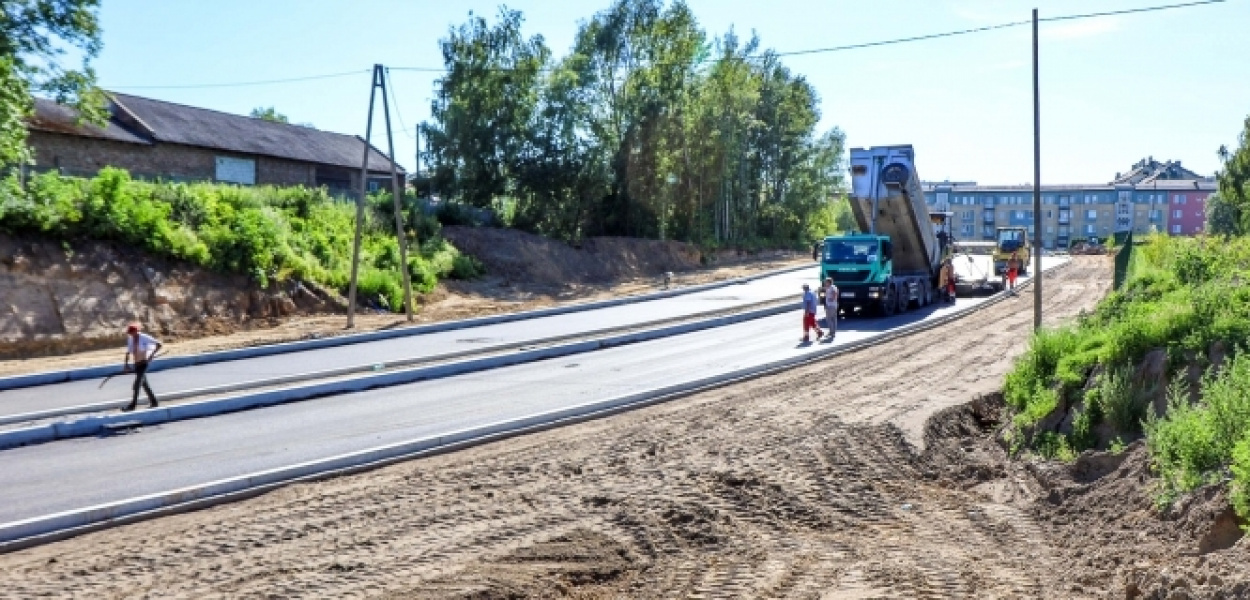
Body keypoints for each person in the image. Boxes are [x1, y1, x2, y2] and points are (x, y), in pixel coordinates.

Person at [122, 322, 163, 412]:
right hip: (137, 364)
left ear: (136, 331)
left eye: (132, 333)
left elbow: (159, 344)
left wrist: (151, 355)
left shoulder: (144, 337)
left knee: (137, 384)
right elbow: (128, 352)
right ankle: (154, 402)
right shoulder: (130, 339)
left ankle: (133, 405)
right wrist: (126, 365)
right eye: (130, 333)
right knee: (144, 384)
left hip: (144, 363)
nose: (131, 335)